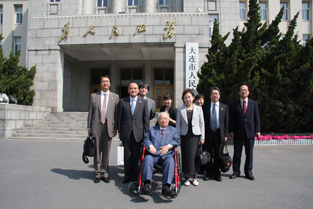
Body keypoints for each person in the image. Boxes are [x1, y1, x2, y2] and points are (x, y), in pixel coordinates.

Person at [87, 75, 119, 183]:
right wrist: (89, 127)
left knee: (106, 151)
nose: (105, 83)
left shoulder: (115, 97)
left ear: (110, 83)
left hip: (109, 127)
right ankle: (97, 173)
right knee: (97, 151)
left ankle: (104, 173)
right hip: (97, 126)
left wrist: (116, 128)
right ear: (100, 84)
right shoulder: (93, 96)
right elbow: (90, 113)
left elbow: (116, 114)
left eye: (107, 81)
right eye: (103, 81)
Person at [118, 82, 149, 184]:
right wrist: (118, 130)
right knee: (127, 155)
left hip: (138, 133)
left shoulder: (143, 102)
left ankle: (135, 176)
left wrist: (146, 133)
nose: (133, 90)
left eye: (135, 88)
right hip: (126, 132)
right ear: (128, 90)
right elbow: (119, 117)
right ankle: (127, 176)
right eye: (131, 88)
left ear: (138, 90)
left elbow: (146, 119)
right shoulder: (123, 101)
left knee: (136, 155)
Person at [141, 112, 180, 196]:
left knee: (170, 161)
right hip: (153, 155)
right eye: (161, 118)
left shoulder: (173, 130)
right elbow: (146, 139)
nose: (164, 121)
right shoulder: (152, 129)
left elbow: (177, 140)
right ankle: (147, 184)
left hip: (167, 155)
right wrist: (150, 145)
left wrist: (168, 146)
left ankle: (166, 186)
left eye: (166, 118)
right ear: (158, 120)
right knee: (147, 159)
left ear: (169, 120)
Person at [229, 85, 260, 181]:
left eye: (245, 90)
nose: (244, 92)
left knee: (249, 153)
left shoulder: (253, 104)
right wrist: (231, 131)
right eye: (242, 90)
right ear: (239, 92)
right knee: (237, 153)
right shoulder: (234, 104)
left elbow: (257, 118)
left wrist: (258, 130)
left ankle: (248, 172)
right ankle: (236, 171)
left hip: (250, 132)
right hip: (238, 132)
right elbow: (232, 119)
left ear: (248, 92)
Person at [176, 89, 205, 186]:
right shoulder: (181, 109)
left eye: (189, 97)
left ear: (193, 98)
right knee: (186, 157)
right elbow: (178, 125)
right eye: (185, 98)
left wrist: (202, 137)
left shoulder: (198, 109)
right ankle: (187, 178)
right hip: (185, 136)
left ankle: (195, 178)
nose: (187, 99)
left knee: (195, 157)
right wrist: (178, 138)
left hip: (195, 136)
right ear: (183, 99)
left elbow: (202, 124)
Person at [202, 87, 228, 182]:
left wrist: (225, 135)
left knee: (218, 155)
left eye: (216, 93)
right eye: (213, 94)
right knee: (208, 154)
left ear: (219, 95)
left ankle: (217, 173)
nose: (215, 95)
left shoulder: (224, 107)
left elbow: (226, 122)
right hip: (208, 134)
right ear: (210, 96)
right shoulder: (205, 107)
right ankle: (209, 173)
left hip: (219, 134)